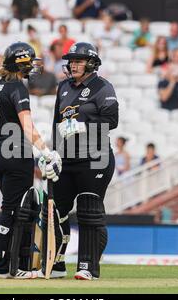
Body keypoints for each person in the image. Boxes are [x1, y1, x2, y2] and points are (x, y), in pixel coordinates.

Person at [0, 42, 62, 279]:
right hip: (16, 152)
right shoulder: (17, 87)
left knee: (10, 206)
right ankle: (9, 267)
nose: (33, 66)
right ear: (21, 63)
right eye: (30, 62)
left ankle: (8, 264)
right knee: (17, 210)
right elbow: (26, 126)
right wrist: (46, 150)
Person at [40, 42, 119, 280]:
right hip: (66, 159)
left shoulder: (102, 87)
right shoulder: (63, 86)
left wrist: (84, 125)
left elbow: (111, 121)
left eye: (78, 61)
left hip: (95, 158)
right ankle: (56, 263)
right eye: (71, 60)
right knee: (54, 212)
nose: (73, 64)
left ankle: (88, 266)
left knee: (89, 212)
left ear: (91, 64)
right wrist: (51, 154)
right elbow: (57, 124)